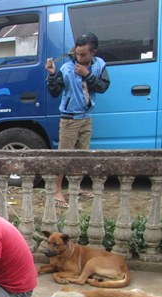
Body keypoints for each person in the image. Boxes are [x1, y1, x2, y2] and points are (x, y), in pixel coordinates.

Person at [46, 33, 111, 208]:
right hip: (69, 119)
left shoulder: (99, 65)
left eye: (83, 54)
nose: (79, 57)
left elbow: (103, 87)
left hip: (87, 117)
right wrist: (52, 75)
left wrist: (88, 75)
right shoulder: (66, 68)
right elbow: (54, 92)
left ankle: (77, 186)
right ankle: (57, 190)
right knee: (64, 156)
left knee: (82, 154)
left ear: (93, 53)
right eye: (77, 53)